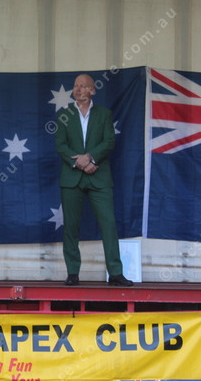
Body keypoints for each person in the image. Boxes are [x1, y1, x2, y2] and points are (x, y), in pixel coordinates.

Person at [54, 73, 133, 286]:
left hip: (99, 176)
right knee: (71, 227)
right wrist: (80, 162)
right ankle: (73, 273)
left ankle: (115, 273)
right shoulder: (64, 115)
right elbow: (60, 145)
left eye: (83, 86)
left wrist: (89, 157)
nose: (78, 89)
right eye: (75, 86)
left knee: (108, 224)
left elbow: (109, 142)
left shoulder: (104, 114)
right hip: (72, 178)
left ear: (93, 90)